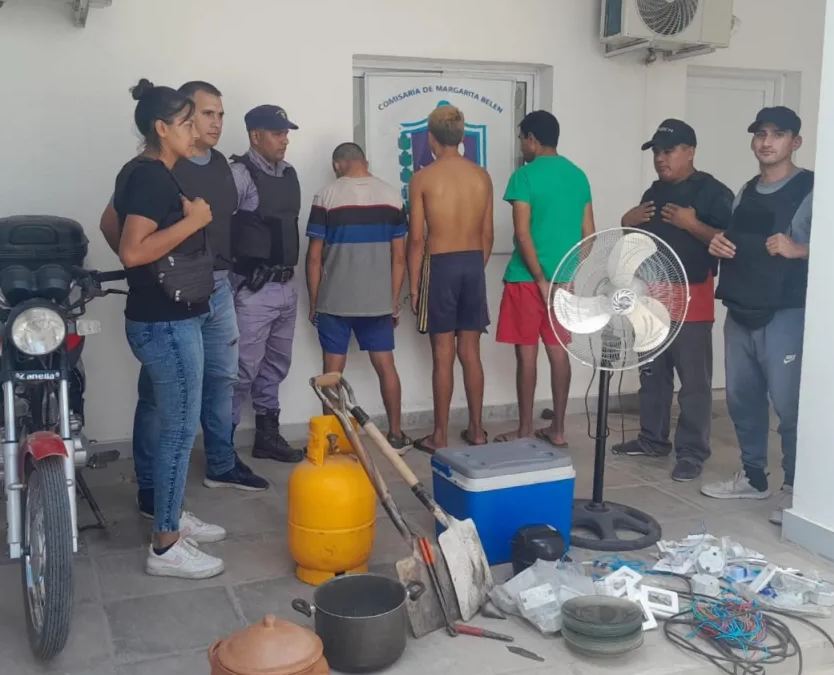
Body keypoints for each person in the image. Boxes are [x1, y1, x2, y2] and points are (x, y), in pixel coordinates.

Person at [101, 82, 269, 517]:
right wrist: (149, 272)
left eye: (218, 115)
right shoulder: (152, 171)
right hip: (169, 306)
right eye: (199, 116)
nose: (209, 125)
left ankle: (218, 467)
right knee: (166, 408)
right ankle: (159, 508)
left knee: (218, 381)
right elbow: (121, 235)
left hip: (213, 291)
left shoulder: (215, 166)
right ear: (169, 124)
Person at [113, 79, 224, 579]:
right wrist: (193, 222)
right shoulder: (154, 178)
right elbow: (131, 250)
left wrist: (147, 272)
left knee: (161, 414)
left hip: (158, 317)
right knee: (179, 430)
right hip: (167, 323)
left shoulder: (137, 171)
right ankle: (165, 545)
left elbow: (110, 224)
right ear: (162, 128)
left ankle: (167, 512)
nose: (195, 131)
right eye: (186, 123)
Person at [702, 106, 813, 525]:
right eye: (760, 134)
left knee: (789, 405)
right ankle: (753, 477)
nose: (766, 142)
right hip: (741, 309)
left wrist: (799, 249)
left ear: (795, 142)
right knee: (741, 399)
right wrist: (718, 244)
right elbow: (736, 240)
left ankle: (798, 492)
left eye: (777, 134)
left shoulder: (813, 189)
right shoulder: (746, 190)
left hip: (786, 313)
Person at [612, 120, 734, 482]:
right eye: (656, 152)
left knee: (693, 383)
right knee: (652, 375)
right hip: (651, 298)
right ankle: (652, 439)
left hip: (692, 298)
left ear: (690, 151)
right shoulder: (654, 191)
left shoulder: (713, 192)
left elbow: (730, 242)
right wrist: (626, 221)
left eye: (668, 151)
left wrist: (690, 224)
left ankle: (692, 452)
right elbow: (638, 242)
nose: (660, 159)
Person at [495, 110, 595, 446]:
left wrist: (540, 278)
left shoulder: (524, 177)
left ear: (533, 140)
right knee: (558, 351)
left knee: (527, 354)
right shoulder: (578, 176)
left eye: (522, 139)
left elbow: (522, 233)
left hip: (526, 279)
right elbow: (590, 234)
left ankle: (525, 429)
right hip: (563, 283)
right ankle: (559, 430)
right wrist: (567, 276)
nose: (522, 146)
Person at [305, 143, 412, 451]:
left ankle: (332, 443)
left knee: (332, 373)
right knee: (386, 365)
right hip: (377, 301)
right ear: (366, 161)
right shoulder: (392, 197)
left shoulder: (325, 196)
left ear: (337, 165)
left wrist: (315, 302)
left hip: (334, 300)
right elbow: (399, 257)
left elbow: (314, 257)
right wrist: (392, 301)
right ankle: (396, 435)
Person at [407, 105, 494, 453]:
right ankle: (476, 430)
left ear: (430, 138)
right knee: (470, 352)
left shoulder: (423, 179)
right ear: (461, 138)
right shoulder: (481, 176)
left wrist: (414, 286)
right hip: (472, 264)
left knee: (443, 353)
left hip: (441, 266)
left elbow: (416, 239)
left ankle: (440, 435)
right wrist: (473, 268)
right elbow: (488, 235)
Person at [230, 105, 303, 462]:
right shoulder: (239, 174)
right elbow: (214, 226)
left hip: (286, 284)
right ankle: (222, 446)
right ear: (255, 136)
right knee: (240, 369)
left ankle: (267, 436)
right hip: (253, 288)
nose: (284, 140)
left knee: (276, 364)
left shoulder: (288, 173)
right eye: (277, 133)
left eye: (286, 133)